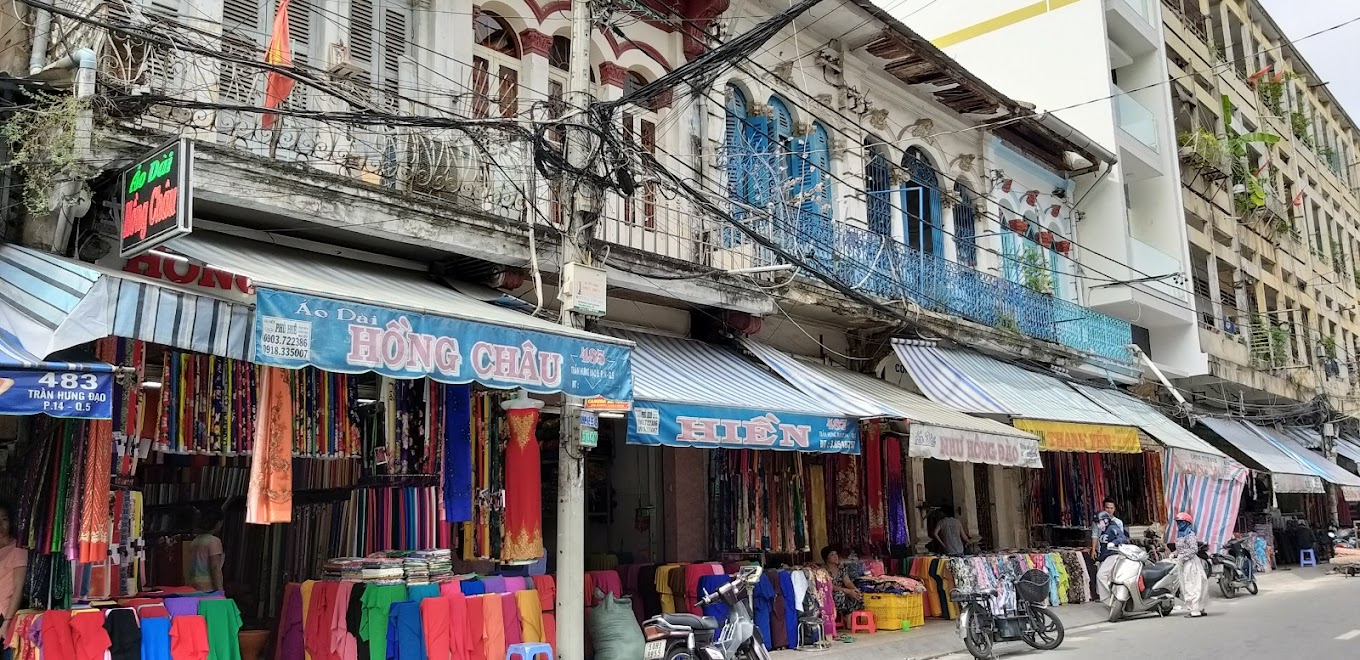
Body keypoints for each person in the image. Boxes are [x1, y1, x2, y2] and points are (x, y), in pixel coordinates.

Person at [1172, 512, 1208, 618]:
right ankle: (1198, 608)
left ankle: (1196, 610)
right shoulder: (1180, 534)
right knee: (1187, 585)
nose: (1179, 524)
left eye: (1181, 522)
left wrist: (1182, 557)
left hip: (1191, 563)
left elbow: (1193, 549)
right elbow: (1180, 549)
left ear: (1187, 523)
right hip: (1183, 563)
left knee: (1194, 585)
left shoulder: (1190, 534)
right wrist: (1174, 554)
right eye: (1178, 522)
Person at [0, 502, 27, 642]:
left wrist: (7, 622)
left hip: (4, 616)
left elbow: (18, 588)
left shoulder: (17, 549)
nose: (0, 525)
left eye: (4, 519)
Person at [186, 510, 225, 592]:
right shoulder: (214, 541)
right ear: (218, 523)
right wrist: (220, 591)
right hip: (208, 587)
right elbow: (215, 567)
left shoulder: (195, 541)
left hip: (193, 586)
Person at [820, 546, 862, 619]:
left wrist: (854, 589)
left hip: (844, 591)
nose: (835, 556)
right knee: (840, 595)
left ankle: (849, 617)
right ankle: (841, 617)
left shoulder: (841, 568)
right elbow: (830, 586)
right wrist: (847, 591)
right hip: (829, 594)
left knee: (857, 595)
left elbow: (847, 582)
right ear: (826, 558)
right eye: (832, 554)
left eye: (836, 554)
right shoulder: (823, 571)